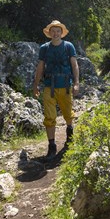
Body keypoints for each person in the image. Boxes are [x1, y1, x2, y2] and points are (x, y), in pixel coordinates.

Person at [32, 20, 80, 158]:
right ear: (50, 33)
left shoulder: (68, 46)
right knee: (49, 117)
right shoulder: (44, 48)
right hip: (49, 86)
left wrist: (76, 83)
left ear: (61, 33)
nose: (55, 33)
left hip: (65, 86)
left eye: (58, 31)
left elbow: (74, 65)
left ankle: (70, 131)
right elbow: (40, 67)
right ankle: (51, 146)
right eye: (53, 31)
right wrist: (35, 84)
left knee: (67, 113)